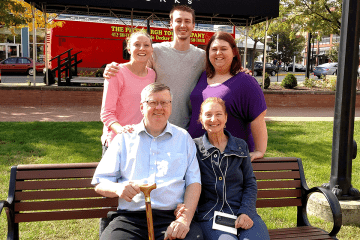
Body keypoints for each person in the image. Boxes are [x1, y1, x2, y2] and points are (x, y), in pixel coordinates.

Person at [92, 83, 203, 240]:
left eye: (164, 102)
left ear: (170, 106)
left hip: (171, 217)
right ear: (141, 107)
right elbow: (100, 182)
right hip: (130, 219)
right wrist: (118, 188)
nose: (159, 107)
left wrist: (184, 219)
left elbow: (194, 183)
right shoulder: (123, 139)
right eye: (152, 102)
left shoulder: (183, 138)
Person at [104, 5, 206, 129]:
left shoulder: (202, 57)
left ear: (193, 25)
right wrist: (114, 68)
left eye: (187, 21)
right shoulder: (155, 51)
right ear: (171, 24)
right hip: (155, 127)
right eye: (178, 21)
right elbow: (136, 72)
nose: (183, 25)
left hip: (187, 128)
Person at [191, 97, 270, 240]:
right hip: (211, 216)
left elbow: (250, 183)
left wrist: (246, 212)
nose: (213, 119)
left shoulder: (240, 146)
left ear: (226, 118)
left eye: (219, 114)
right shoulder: (193, 148)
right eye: (208, 114)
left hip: (242, 211)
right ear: (201, 119)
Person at [187, 31, 268, 161]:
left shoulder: (246, 82)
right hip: (197, 155)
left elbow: (258, 118)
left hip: (228, 159)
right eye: (214, 49)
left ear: (234, 52)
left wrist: (259, 150)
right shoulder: (202, 76)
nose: (218, 53)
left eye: (224, 49)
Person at [100, 31, 156, 154]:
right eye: (137, 44)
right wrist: (122, 131)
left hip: (142, 142)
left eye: (146, 45)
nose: (142, 48)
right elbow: (106, 113)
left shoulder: (152, 75)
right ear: (129, 49)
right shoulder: (116, 73)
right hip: (117, 143)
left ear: (151, 50)